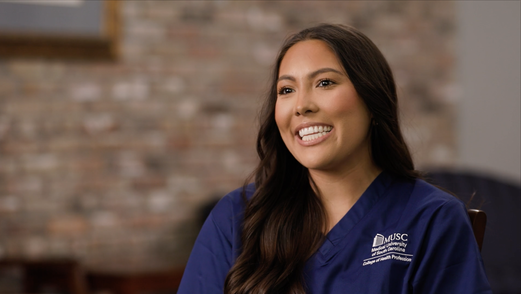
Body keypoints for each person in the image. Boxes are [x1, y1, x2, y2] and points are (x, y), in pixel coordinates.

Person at [177, 24, 491, 294]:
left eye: (325, 83)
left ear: (373, 100)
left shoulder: (432, 219)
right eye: (286, 90)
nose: (301, 106)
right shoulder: (235, 219)